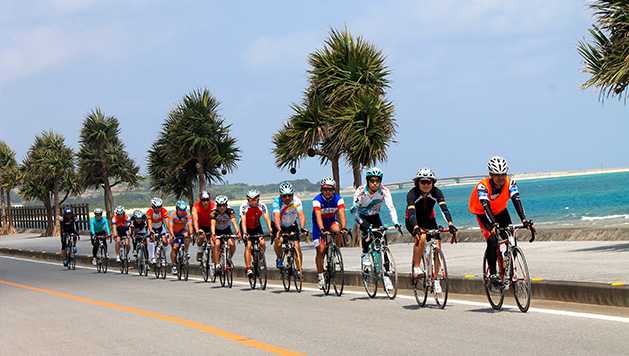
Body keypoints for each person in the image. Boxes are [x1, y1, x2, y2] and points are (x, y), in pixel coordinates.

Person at [468, 156, 535, 287]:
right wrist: (493, 224)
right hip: (482, 212)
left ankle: (508, 262)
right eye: (497, 175)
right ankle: (493, 273)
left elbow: (516, 200)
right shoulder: (482, 186)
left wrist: (524, 220)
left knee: (511, 237)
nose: (501, 178)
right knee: (492, 240)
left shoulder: (510, 183)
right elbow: (485, 205)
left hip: (500, 211)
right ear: (491, 175)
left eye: (503, 174)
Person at [405, 168, 458, 293]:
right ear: (417, 183)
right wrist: (416, 227)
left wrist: (450, 224)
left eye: (429, 182)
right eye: (422, 182)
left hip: (429, 219)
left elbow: (444, 209)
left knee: (437, 245)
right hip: (413, 220)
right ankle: (417, 267)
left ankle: (436, 278)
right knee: (422, 237)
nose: (426, 185)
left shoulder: (437, 192)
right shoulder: (412, 194)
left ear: (433, 183)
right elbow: (412, 213)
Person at [350, 167, 400, 292]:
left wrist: (396, 222)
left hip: (375, 216)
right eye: (372, 181)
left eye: (377, 181)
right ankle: (365, 254)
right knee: (367, 231)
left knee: (383, 242)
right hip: (361, 216)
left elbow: (391, 207)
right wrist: (362, 224)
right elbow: (354, 211)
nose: (375, 183)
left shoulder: (384, 191)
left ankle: (386, 274)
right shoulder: (360, 191)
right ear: (367, 181)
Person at [312, 177, 347, 290]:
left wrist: (344, 227)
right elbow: (318, 216)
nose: (327, 192)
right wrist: (322, 229)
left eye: (330, 189)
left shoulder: (338, 199)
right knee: (321, 250)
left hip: (331, 222)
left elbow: (341, 214)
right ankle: (321, 276)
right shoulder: (317, 200)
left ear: (334, 190)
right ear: (322, 190)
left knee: (338, 230)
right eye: (325, 189)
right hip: (319, 225)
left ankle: (335, 249)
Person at [272, 182, 308, 274]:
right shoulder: (277, 202)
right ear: (281, 196)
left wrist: (302, 227)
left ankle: (299, 270)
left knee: (297, 247)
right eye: (284, 196)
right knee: (278, 241)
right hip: (279, 225)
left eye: (289, 195)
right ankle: (279, 258)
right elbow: (276, 216)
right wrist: (279, 229)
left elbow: (301, 216)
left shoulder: (296, 201)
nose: (287, 198)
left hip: (292, 224)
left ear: (292, 195)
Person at [240, 189, 272, 278]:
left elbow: (267, 218)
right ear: (247, 199)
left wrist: (270, 229)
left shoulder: (262, 206)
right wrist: (245, 233)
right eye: (250, 199)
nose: (252, 201)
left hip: (257, 226)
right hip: (246, 227)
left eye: (254, 199)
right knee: (249, 245)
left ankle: (260, 258)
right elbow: (243, 221)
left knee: (262, 243)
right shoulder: (244, 206)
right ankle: (248, 268)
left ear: (258, 199)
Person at [210, 195, 241, 272]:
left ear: (226, 205)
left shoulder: (230, 211)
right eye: (220, 206)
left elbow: (234, 222)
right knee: (217, 244)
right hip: (217, 230)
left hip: (227, 230)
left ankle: (228, 258)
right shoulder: (214, 212)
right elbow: (213, 224)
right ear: (217, 205)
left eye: (224, 205)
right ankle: (217, 264)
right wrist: (213, 234)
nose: (222, 208)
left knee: (232, 244)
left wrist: (238, 232)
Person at [168, 200, 192, 275]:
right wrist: (172, 235)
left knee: (187, 236)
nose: (182, 212)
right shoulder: (172, 215)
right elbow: (170, 226)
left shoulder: (187, 215)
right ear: (177, 209)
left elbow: (190, 225)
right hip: (174, 232)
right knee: (175, 247)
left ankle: (186, 252)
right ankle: (174, 266)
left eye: (184, 210)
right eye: (180, 210)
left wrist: (191, 234)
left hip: (182, 230)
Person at [192, 191, 216, 262]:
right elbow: (195, 220)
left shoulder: (213, 205)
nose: (205, 202)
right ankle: (200, 250)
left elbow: (215, 219)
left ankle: (214, 260)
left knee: (213, 243)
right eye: (203, 200)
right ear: (200, 200)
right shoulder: (196, 206)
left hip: (210, 225)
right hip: (200, 225)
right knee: (201, 236)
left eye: (207, 200)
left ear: (209, 199)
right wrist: (197, 231)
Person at [146, 197, 169, 264]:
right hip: (152, 227)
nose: (157, 209)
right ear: (152, 207)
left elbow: (166, 222)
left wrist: (169, 231)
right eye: (155, 207)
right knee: (152, 238)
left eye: (159, 207)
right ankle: (152, 257)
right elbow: (149, 222)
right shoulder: (149, 212)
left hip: (160, 227)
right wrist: (151, 230)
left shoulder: (163, 211)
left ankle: (163, 257)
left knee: (165, 241)